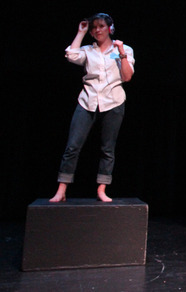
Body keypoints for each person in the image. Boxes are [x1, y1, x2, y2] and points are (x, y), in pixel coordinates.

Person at [50, 13, 134, 203]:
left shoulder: (125, 49)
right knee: (72, 146)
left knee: (107, 149)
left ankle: (102, 189)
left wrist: (120, 51)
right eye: (94, 27)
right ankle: (61, 189)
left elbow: (127, 77)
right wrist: (81, 32)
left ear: (110, 28)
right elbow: (71, 55)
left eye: (102, 26)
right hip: (87, 101)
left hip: (113, 102)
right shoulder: (88, 50)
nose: (97, 30)